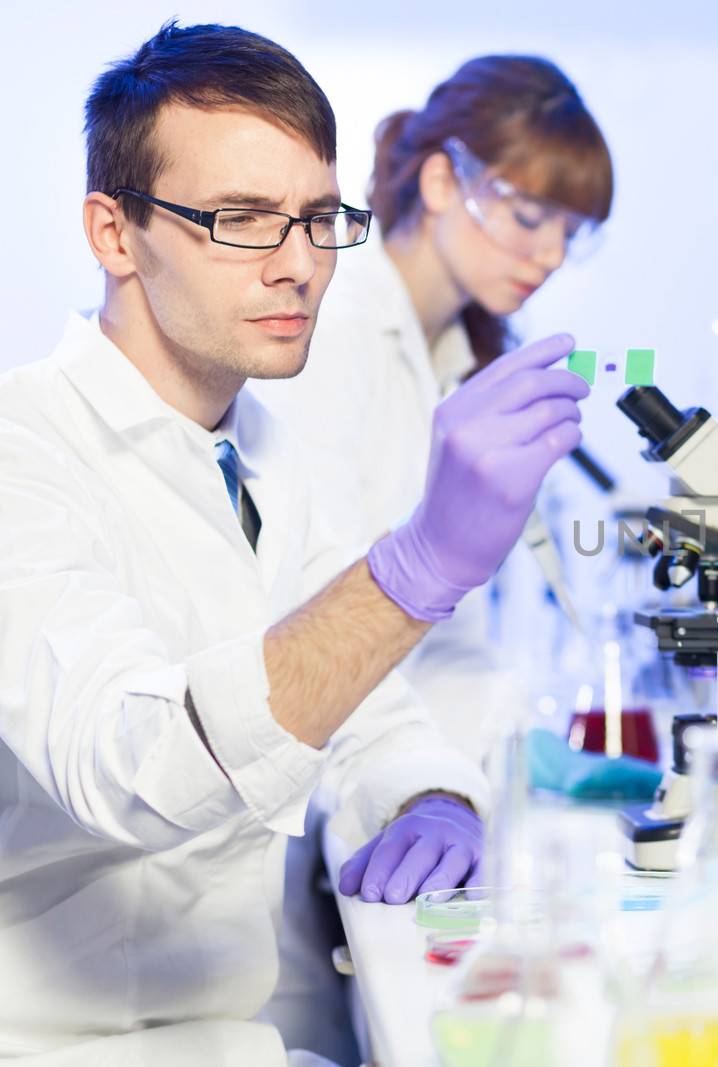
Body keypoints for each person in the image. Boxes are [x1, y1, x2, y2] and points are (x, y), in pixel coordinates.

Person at [0, 22, 585, 1066]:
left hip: (230, 1041)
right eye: (241, 221)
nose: (300, 266)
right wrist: (417, 570)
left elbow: (368, 712)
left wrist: (430, 795)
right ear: (114, 233)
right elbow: (133, 764)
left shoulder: (261, 450)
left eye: (318, 220)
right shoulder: (23, 450)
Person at [255, 55, 613, 754]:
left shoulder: (456, 360)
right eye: (531, 216)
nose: (549, 256)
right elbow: (316, 603)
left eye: (569, 234)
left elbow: (449, 636)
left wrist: (491, 767)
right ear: (443, 180)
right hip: (305, 753)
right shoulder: (330, 324)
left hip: (385, 753)